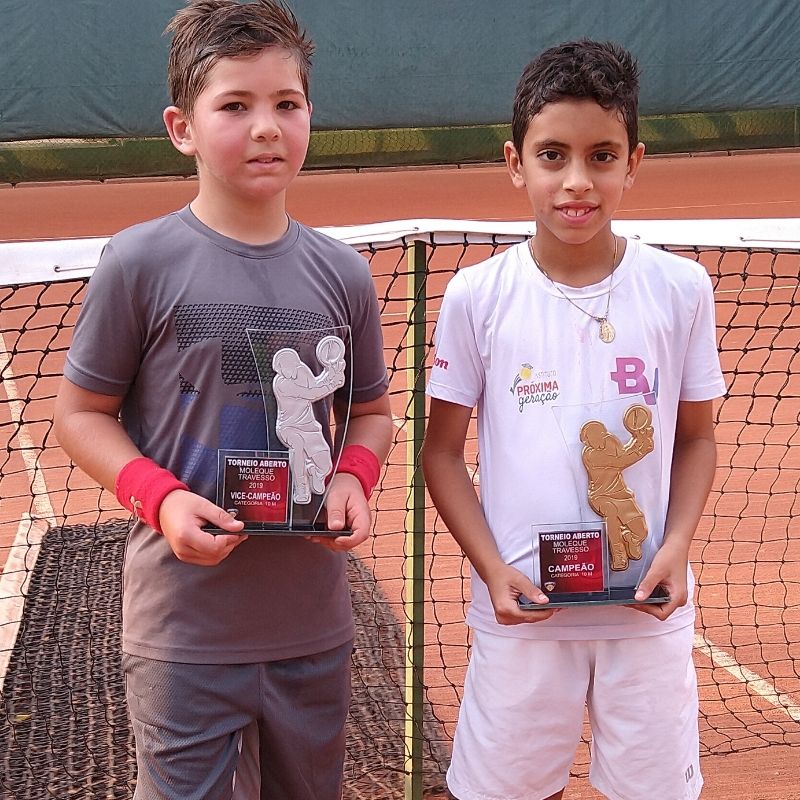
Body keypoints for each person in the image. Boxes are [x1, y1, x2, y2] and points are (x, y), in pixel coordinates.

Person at [53, 2, 392, 798]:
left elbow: (372, 412)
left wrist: (354, 475)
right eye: (235, 105)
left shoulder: (344, 274)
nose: (266, 127)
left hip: (312, 628)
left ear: (309, 115)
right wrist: (162, 498)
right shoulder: (137, 262)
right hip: (184, 634)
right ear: (183, 128)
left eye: (286, 103)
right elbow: (80, 413)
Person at [422, 40, 725, 800]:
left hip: (645, 617)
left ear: (634, 162)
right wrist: (493, 571)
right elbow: (440, 454)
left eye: (602, 156)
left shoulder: (681, 288)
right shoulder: (476, 297)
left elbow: (696, 438)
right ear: (515, 162)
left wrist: (676, 548)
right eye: (553, 155)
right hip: (523, 616)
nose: (577, 181)